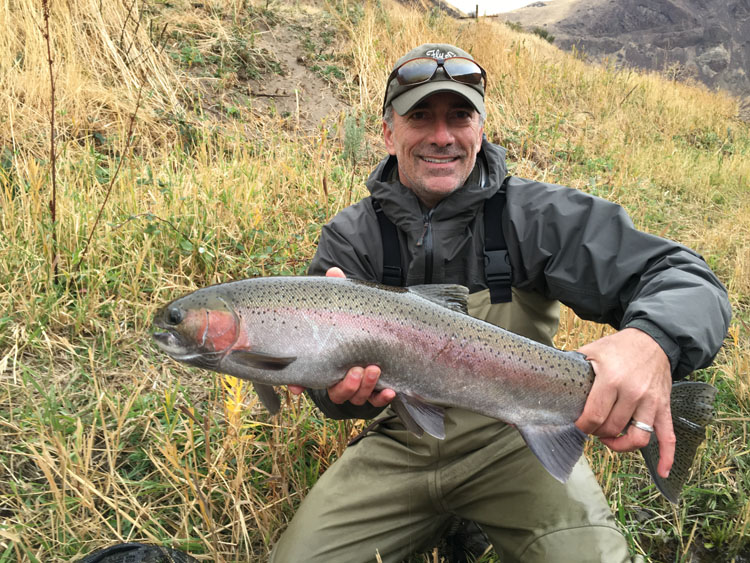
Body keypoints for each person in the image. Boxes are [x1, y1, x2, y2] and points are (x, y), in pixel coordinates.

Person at [270, 43, 731, 563]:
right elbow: (329, 399)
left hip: (518, 439)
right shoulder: (351, 239)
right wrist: (340, 393)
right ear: (387, 131)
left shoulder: (536, 216)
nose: (441, 136)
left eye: (459, 116)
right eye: (420, 115)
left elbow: (687, 278)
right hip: (401, 441)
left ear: (480, 129)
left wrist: (653, 343)